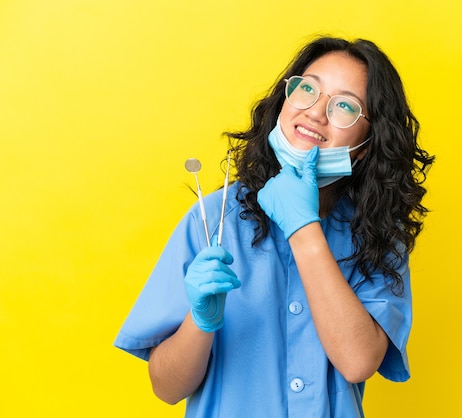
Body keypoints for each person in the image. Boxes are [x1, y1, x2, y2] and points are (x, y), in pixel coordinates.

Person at [114, 36, 434, 418]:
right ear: (286, 99)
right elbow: (166, 388)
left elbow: (357, 361)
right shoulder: (215, 219)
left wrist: (303, 227)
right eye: (307, 89)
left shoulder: (379, 234)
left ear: (366, 144)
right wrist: (200, 323)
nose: (316, 113)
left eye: (344, 106)